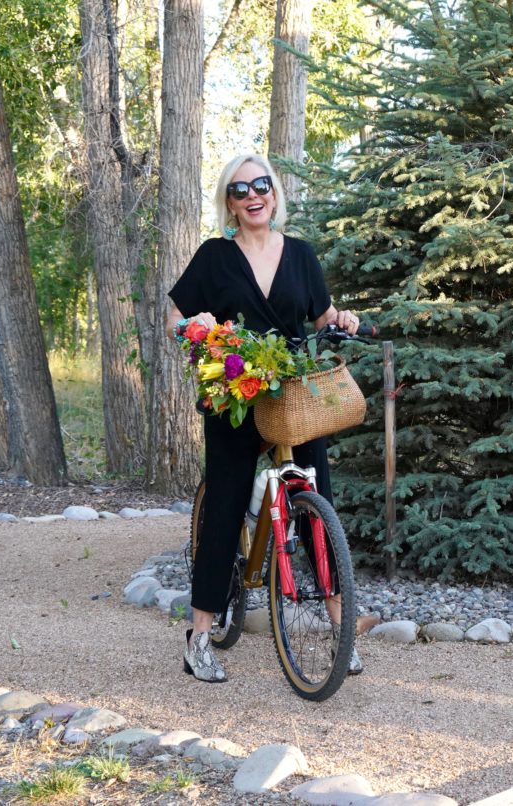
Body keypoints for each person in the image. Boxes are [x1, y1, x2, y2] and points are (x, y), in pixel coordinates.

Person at [167, 153, 363, 683]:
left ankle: (340, 631)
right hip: (234, 395)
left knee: (319, 503)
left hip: (294, 396)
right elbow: (173, 318)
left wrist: (341, 318)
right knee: (225, 508)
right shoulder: (214, 257)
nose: (252, 195)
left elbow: (322, 316)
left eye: (260, 185)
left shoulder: (300, 254)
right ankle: (200, 635)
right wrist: (196, 325)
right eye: (239, 189)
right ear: (229, 204)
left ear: (274, 193)